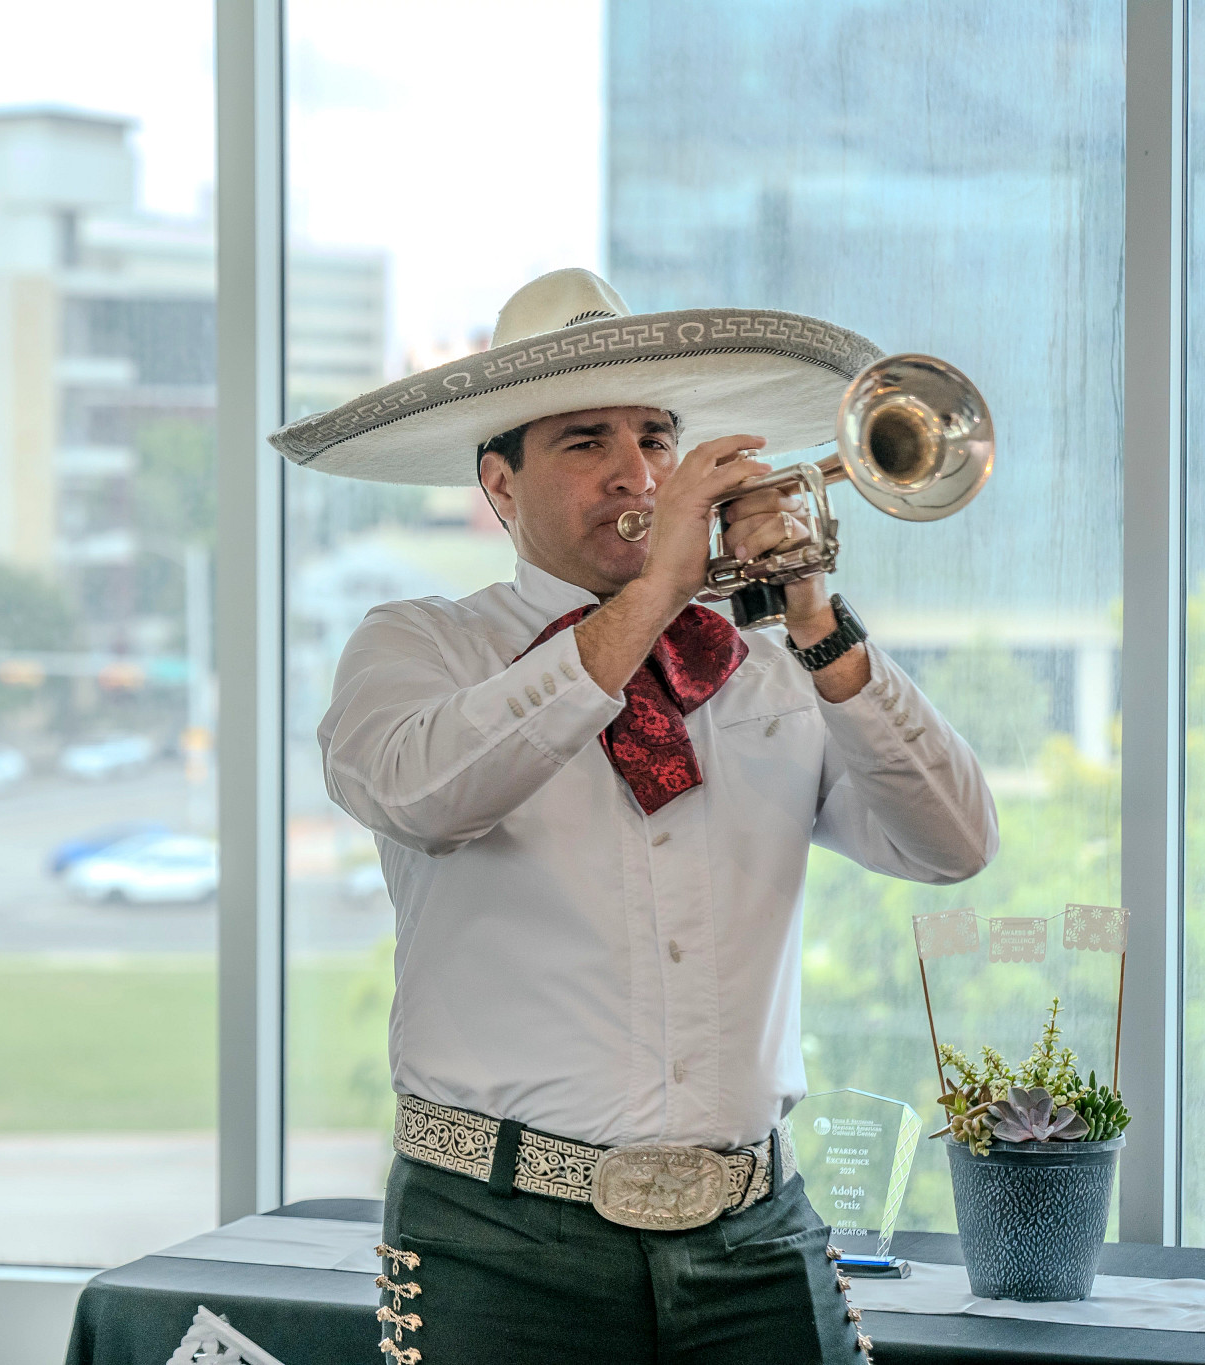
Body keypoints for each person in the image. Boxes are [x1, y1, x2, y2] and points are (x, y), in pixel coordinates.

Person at [271, 270, 997, 1364]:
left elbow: (951, 847)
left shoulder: (770, 669)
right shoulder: (417, 646)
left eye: (656, 437)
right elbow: (422, 796)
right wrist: (652, 594)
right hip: (493, 1238)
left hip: (756, 1235)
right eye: (582, 442)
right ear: (497, 486)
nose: (637, 472)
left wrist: (812, 615)